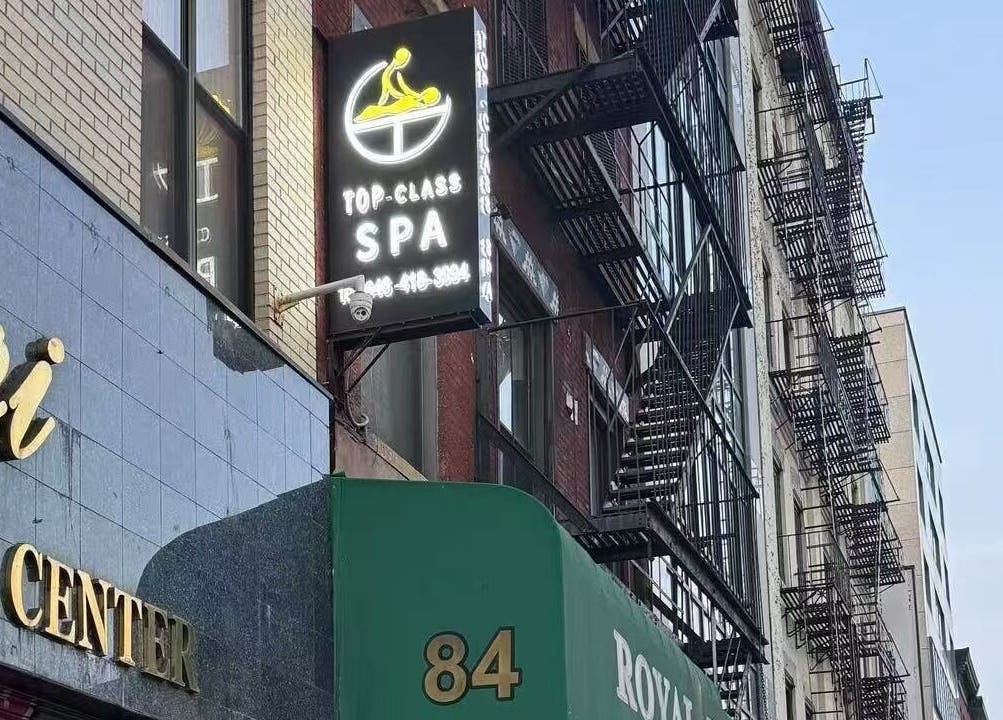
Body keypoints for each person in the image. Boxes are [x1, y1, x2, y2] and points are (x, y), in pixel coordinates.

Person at [355, 47, 442, 122]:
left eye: (427, 92)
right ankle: (363, 116)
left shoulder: (417, 103)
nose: (424, 91)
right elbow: (400, 90)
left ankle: (364, 116)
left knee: (375, 110)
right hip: (392, 108)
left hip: (392, 110)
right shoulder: (416, 101)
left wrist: (398, 79)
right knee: (375, 109)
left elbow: (405, 90)